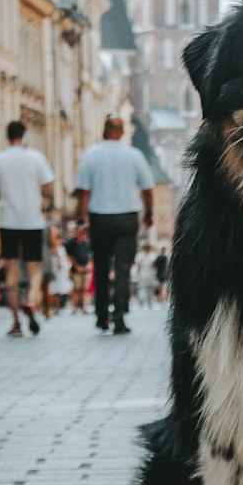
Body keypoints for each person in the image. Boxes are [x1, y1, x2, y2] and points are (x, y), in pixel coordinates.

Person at [74, 116, 154, 334]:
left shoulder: (91, 155)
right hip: (127, 216)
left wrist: (81, 219)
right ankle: (119, 317)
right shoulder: (134, 155)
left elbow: (84, 191)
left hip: (100, 217)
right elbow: (147, 187)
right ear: (120, 132)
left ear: (104, 130)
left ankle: (101, 316)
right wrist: (149, 213)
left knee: (100, 268)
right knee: (123, 268)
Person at [0, 120, 54, 338]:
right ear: (24, 136)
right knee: (34, 269)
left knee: (11, 274)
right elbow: (48, 190)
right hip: (32, 221)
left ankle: (15, 323)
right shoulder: (36, 158)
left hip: (8, 222)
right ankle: (31, 301)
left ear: (7, 136)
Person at [64, 221, 92, 313]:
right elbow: (70, 256)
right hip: (76, 269)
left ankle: (84, 307)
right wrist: (77, 266)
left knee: (85, 290)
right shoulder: (71, 243)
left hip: (87, 269)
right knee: (76, 289)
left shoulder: (89, 244)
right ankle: (75, 307)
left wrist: (88, 265)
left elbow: (91, 257)